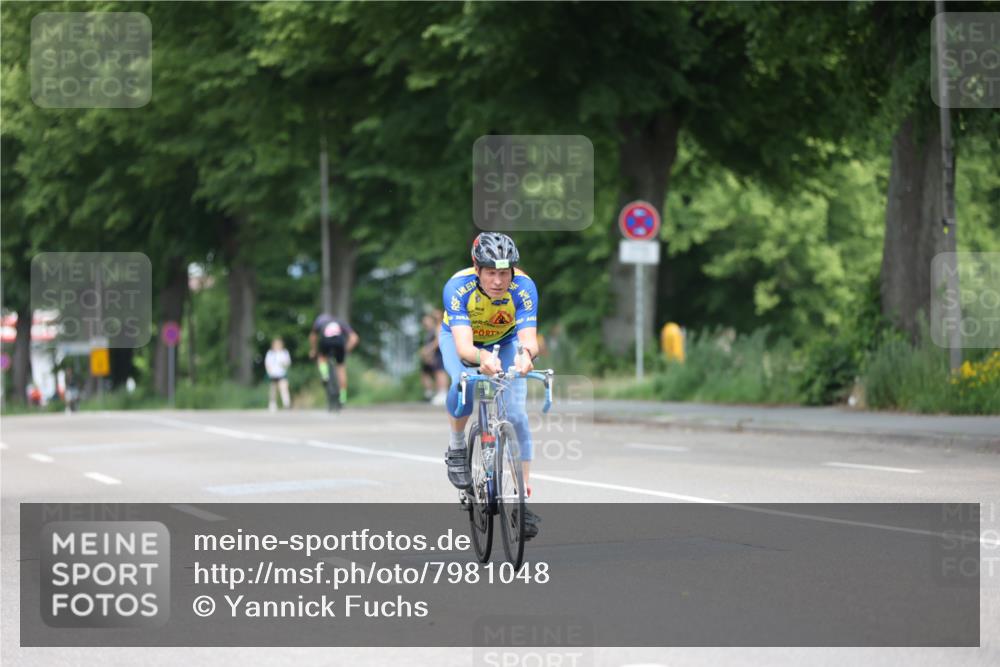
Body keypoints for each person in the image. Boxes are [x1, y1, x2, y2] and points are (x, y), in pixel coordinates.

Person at [439, 232, 542, 539]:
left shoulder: (524, 288)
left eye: (504, 273)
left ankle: (521, 500)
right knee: (463, 385)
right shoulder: (457, 287)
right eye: (490, 273)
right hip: (462, 340)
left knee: (517, 415)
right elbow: (464, 348)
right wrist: (482, 358)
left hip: (506, 341)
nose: (498, 281)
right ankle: (457, 446)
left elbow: (529, 340)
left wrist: (526, 356)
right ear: (477, 269)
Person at [309, 313, 359, 410]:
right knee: (341, 367)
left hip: (325, 342)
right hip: (339, 342)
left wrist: (314, 350)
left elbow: (313, 336)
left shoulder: (320, 321)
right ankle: (343, 397)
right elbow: (354, 338)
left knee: (321, 357)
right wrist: (346, 351)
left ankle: (324, 375)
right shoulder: (340, 322)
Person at [419, 309, 448, 406]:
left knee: (440, 372)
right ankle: (439, 393)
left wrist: (428, 349)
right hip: (437, 353)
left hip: (440, 352)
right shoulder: (436, 327)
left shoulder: (441, 326)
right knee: (437, 373)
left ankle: (443, 393)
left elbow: (438, 341)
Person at [265, 337, 292, 411]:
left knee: (284, 388)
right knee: (273, 389)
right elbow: (267, 363)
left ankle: (286, 404)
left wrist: (284, 364)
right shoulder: (270, 353)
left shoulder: (284, 352)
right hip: (273, 374)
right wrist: (269, 371)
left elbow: (288, 363)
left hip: (282, 373)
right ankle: (272, 404)